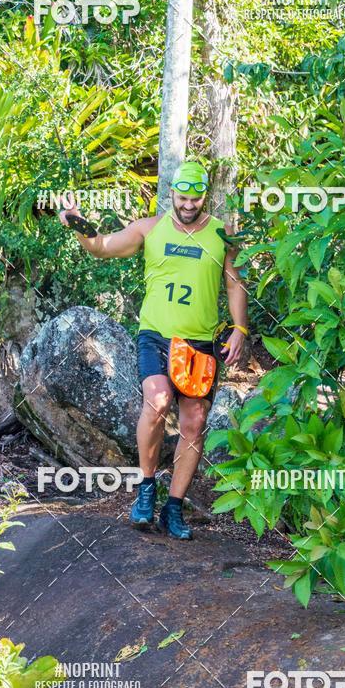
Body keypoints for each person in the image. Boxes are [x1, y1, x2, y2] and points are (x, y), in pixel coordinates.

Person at [59, 161, 248, 539]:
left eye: (195, 198)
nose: (189, 204)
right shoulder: (151, 228)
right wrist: (80, 225)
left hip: (201, 342)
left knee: (194, 423)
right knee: (158, 401)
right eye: (182, 197)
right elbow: (102, 248)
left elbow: (233, 283)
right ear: (172, 194)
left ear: (205, 196)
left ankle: (173, 508)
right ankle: (146, 488)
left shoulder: (221, 234)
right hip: (157, 335)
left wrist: (240, 328)